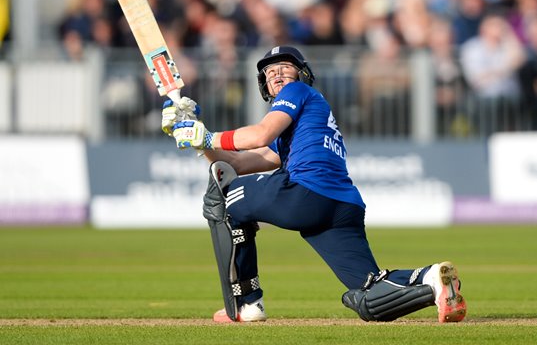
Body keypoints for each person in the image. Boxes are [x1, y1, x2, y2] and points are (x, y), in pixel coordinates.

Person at [161, 46, 467, 323]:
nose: (277, 73)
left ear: (301, 74)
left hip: (307, 192)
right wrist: (197, 140)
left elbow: (258, 136)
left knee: (225, 200)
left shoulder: (297, 93)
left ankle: (247, 303)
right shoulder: (300, 126)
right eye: (270, 71)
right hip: (341, 207)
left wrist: (205, 136)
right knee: (368, 295)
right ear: (264, 85)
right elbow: (236, 164)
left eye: (285, 66)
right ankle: (432, 281)